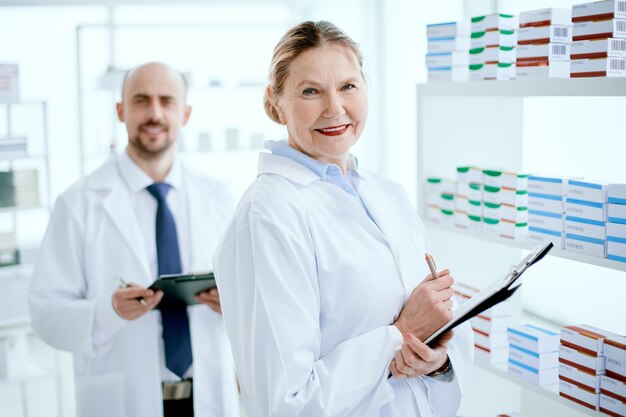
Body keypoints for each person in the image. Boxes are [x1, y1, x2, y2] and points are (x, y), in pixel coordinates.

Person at [213, 21, 474, 417]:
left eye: (348, 86)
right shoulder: (267, 215)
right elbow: (286, 401)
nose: (335, 109)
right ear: (275, 102)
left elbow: (436, 319)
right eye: (310, 91)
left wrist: (435, 361)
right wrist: (401, 335)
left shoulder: (388, 194)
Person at [28, 62, 240, 417]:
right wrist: (106, 311)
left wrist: (235, 302)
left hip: (209, 395)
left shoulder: (219, 197)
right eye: (141, 100)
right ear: (121, 111)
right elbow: (45, 316)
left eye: (167, 101)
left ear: (185, 113)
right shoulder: (77, 204)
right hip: (123, 401)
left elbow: (253, 297)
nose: (155, 113)